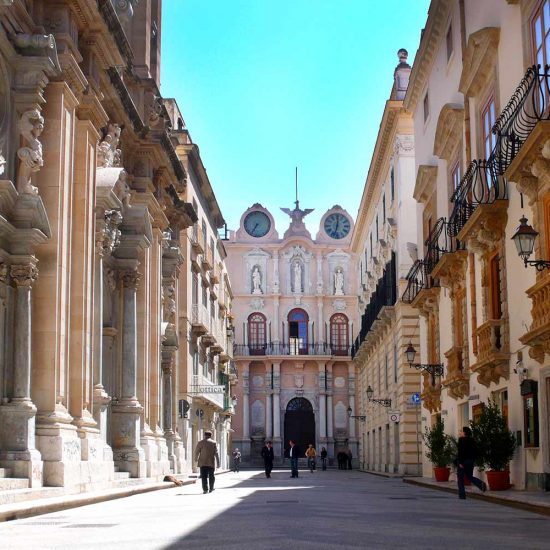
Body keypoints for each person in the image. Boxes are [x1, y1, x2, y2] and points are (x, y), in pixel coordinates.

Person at [456, 426, 487, 499]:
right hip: (470, 461)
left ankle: (462, 495)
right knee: (469, 476)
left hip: (463, 462)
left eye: (461, 431)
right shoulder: (472, 440)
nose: (460, 432)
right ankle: (481, 484)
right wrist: (473, 460)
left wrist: (460, 462)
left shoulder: (461, 440)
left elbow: (461, 452)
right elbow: (476, 451)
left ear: (465, 432)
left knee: (460, 479)